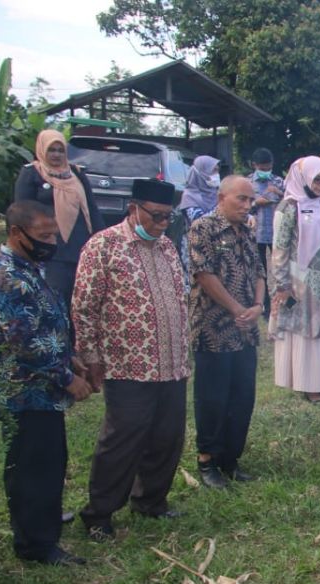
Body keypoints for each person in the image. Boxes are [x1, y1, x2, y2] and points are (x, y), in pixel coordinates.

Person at [72, 179, 189, 542]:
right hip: (128, 364)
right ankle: (99, 514)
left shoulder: (167, 246)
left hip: (171, 363)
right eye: (155, 216)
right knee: (123, 440)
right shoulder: (103, 246)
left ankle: (151, 501)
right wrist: (90, 357)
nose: (161, 224)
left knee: (167, 438)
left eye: (168, 218)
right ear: (134, 208)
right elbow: (84, 307)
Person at [0, 200, 93, 565]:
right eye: (44, 235)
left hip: (44, 388)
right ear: (17, 233)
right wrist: (68, 378)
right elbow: (24, 343)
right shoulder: (7, 276)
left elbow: (46, 324)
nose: (52, 240)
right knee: (31, 466)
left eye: (53, 232)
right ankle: (35, 545)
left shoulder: (30, 268)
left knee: (50, 459)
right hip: (24, 390)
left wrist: (70, 355)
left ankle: (44, 520)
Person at [187, 176, 265, 489]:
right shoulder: (203, 228)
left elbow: (259, 270)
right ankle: (208, 460)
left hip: (245, 330)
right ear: (222, 197)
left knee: (242, 395)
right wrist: (237, 309)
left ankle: (231, 459)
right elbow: (204, 275)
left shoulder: (246, 230)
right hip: (213, 328)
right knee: (213, 397)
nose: (246, 206)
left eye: (250, 200)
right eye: (241, 199)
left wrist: (258, 305)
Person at [269, 156, 320, 402]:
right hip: (298, 280)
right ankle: (308, 384)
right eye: (318, 180)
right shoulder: (288, 207)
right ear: (303, 178)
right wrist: (282, 284)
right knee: (304, 330)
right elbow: (279, 249)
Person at [14, 129, 105, 313]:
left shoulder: (76, 174)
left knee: (80, 303)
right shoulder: (31, 174)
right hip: (51, 250)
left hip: (80, 248)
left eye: (60, 150)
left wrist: (102, 241)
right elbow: (22, 212)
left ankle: (76, 341)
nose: (56, 154)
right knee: (55, 301)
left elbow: (92, 210)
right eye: (51, 150)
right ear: (41, 150)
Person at [248, 147, 285, 318]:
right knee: (260, 271)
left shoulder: (278, 181)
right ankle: (265, 306)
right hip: (256, 234)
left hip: (277, 234)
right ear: (254, 165)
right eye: (262, 169)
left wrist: (279, 193)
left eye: (268, 167)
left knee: (279, 269)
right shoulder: (248, 183)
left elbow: (290, 201)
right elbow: (243, 206)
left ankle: (282, 302)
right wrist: (256, 203)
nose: (265, 171)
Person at [176, 155, 221, 281]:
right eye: (213, 171)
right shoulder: (189, 196)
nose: (217, 174)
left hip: (219, 244)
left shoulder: (218, 193)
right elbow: (199, 221)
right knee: (198, 283)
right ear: (201, 173)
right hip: (197, 247)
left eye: (218, 170)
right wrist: (223, 210)